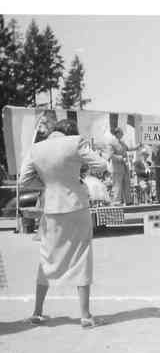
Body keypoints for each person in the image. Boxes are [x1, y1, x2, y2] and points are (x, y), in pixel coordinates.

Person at [19, 119, 108, 329]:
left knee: (46, 258)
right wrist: (80, 173)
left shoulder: (36, 148)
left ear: (54, 131)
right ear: (70, 132)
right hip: (76, 205)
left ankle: (37, 312)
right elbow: (101, 165)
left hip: (50, 207)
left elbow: (24, 181)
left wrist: (48, 184)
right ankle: (85, 316)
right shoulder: (76, 142)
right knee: (82, 256)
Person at [105, 127, 139, 206]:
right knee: (117, 185)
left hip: (125, 167)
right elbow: (110, 155)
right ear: (117, 133)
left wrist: (137, 147)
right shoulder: (111, 143)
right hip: (117, 168)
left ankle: (128, 201)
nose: (122, 134)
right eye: (121, 133)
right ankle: (116, 202)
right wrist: (120, 158)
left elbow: (128, 149)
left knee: (127, 184)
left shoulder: (122, 142)